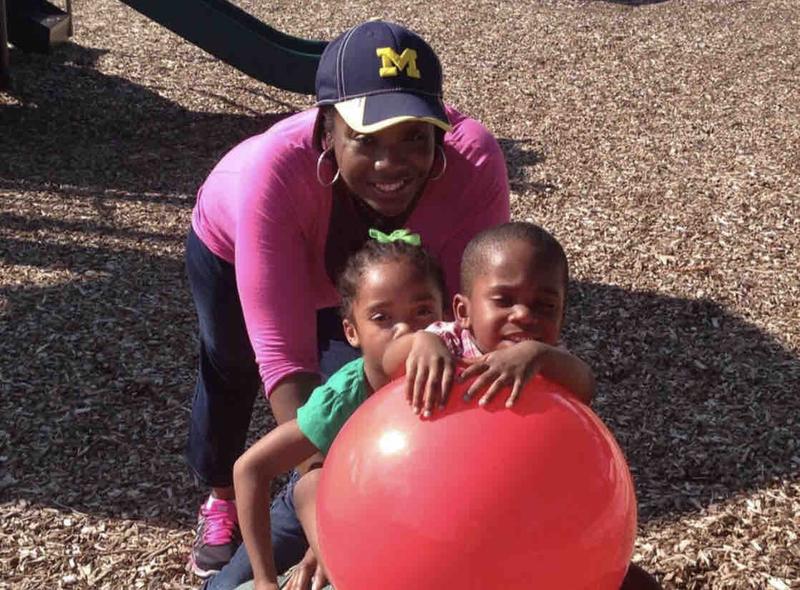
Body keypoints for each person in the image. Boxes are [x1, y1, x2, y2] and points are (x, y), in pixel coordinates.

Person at [184, 18, 510, 580]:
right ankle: (220, 497)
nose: (393, 163)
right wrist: (324, 496)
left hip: (374, 286)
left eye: (414, 135)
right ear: (326, 129)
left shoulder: (471, 163)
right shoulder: (276, 172)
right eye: (366, 139)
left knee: (369, 384)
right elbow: (285, 361)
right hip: (237, 244)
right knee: (234, 365)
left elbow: (464, 327)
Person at [239, 222, 661, 590]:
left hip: (506, 529)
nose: (524, 315)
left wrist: (538, 356)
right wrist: (421, 341)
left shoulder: (544, 366)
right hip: (389, 520)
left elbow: (585, 385)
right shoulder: (441, 343)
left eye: (544, 306)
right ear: (461, 311)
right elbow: (390, 364)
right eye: (504, 300)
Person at [235, 236, 449, 590]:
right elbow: (250, 468)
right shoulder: (346, 395)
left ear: (447, 315)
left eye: (423, 312)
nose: (405, 330)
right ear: (352, 332)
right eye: (382, 317)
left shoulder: (459, 371)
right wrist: (264, 579)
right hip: (358, 526)